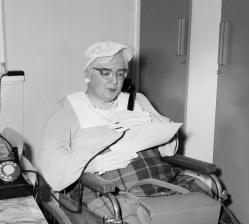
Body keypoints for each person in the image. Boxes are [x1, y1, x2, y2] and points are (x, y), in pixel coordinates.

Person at [38, 40, 179, 192]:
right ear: (87, 74)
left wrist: (155, 121)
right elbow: (52, 164)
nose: (115, 81)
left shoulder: (137, 100)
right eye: (106, 73)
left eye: (121, 74)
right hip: (106, 190)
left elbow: (169, 150)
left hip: (162, 180)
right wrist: (95, 163)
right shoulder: (66, 108)